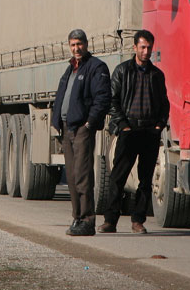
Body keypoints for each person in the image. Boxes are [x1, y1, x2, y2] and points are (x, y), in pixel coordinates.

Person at [99, 30, 169, 234]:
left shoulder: (157, 75)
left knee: (145, 179)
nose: (146, 51)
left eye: (149, 47)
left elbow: (164, 104)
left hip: (149, 132)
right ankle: (110, 221)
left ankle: (138, 220)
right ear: (135, 47)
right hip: (129, 131)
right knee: (118, 178)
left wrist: (159, 126)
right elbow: (112, 101)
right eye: (142, 47)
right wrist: (123, 125)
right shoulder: (122, 71)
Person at [52, 29, 111, 237]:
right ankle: (77, 218)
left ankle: (87, 220)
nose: (76, 48)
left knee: (83, 176)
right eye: (73, 45)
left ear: (86, 44)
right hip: (67, 129)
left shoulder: (96, 67)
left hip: (81, 129)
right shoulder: (70, 69)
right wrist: (56, 122)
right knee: (72, 175)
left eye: (80, 44)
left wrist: (89, 123)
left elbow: (103, 98)